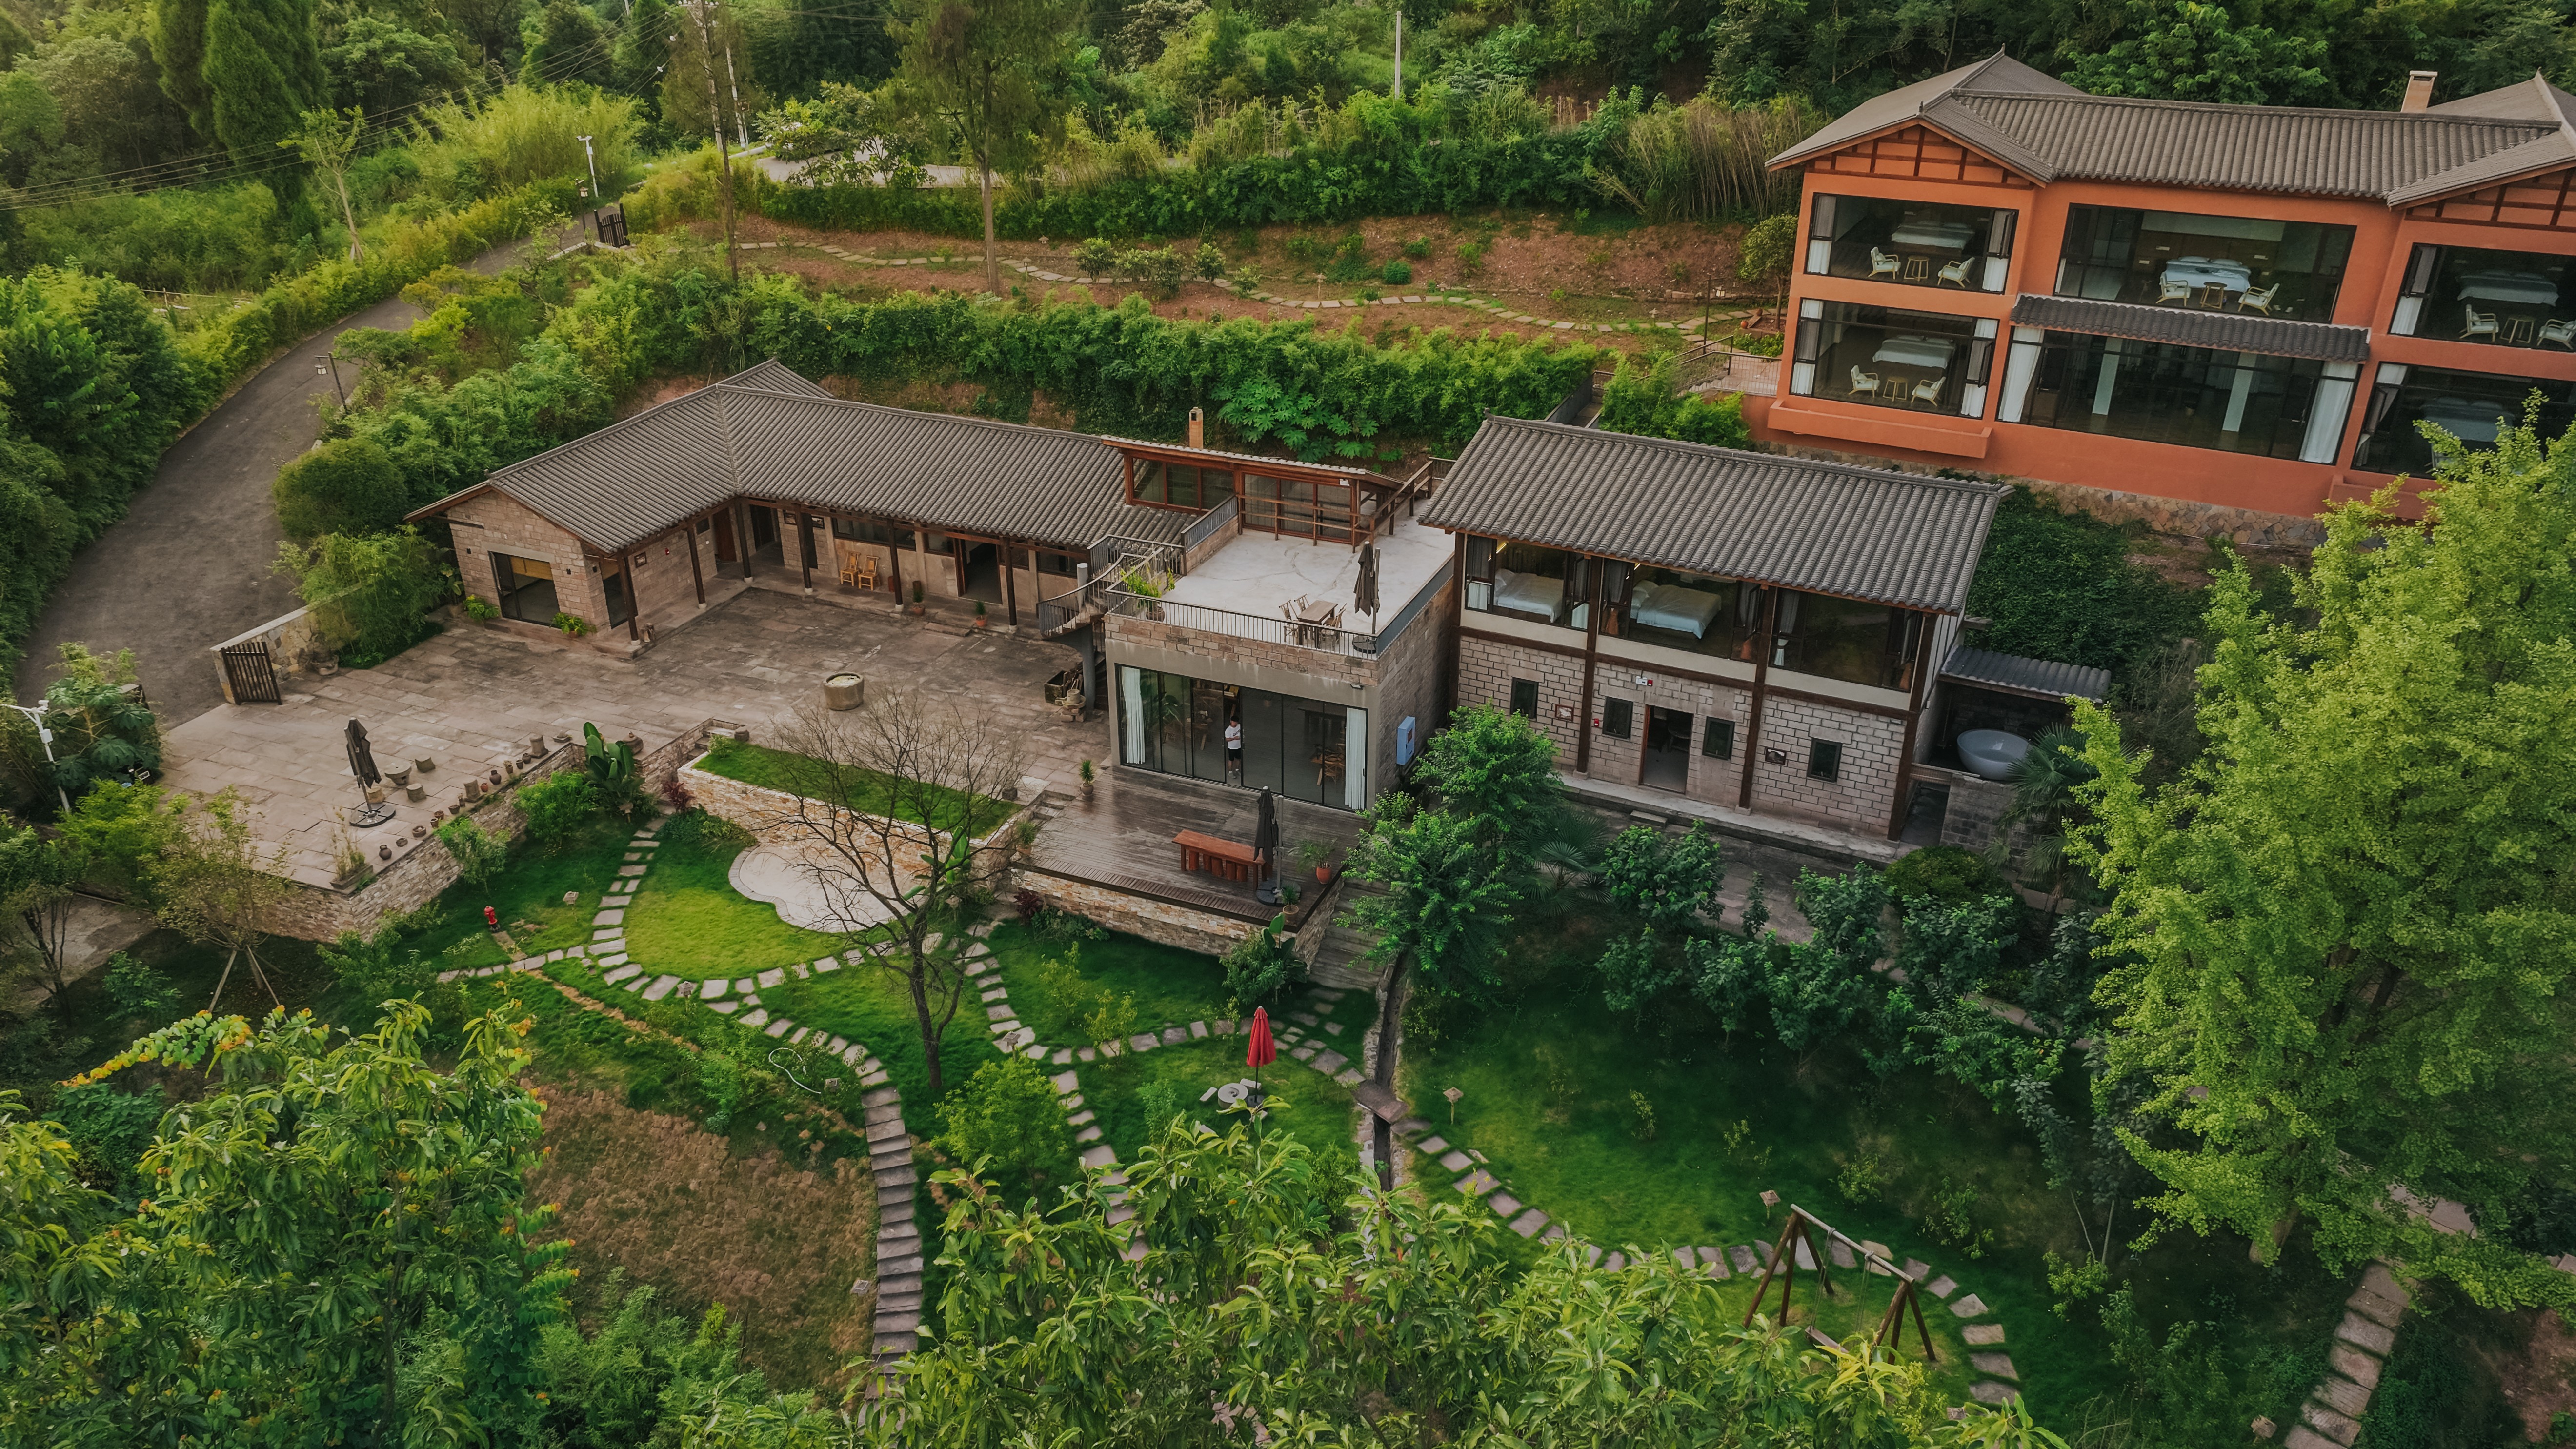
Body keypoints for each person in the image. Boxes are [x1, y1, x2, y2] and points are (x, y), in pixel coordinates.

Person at [1226, 715, 1244, 781]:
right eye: (1233, 722)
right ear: (1231, 722)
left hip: (1239, 746)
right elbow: (1227, 739)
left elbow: (1242, 732)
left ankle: (1237, 770)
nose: (1235, 724)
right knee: (1231, 760)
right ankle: (1230, 772)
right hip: (1232, 748)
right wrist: (1234, 738)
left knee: (1238, 759)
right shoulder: (1228, 730)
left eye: (1236, 722)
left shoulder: (1240, 726)